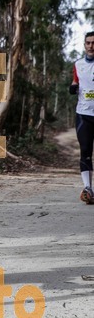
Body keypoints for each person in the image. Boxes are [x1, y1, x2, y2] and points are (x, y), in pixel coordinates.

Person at [70, 31, 94, 204]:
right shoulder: (78, 64)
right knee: (85, 152)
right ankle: (88, 188)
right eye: (88, 43)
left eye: (93, 43)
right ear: (84, 45)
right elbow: (75, 82)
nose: (91, 46)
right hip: (84, 114)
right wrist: (72, 87)